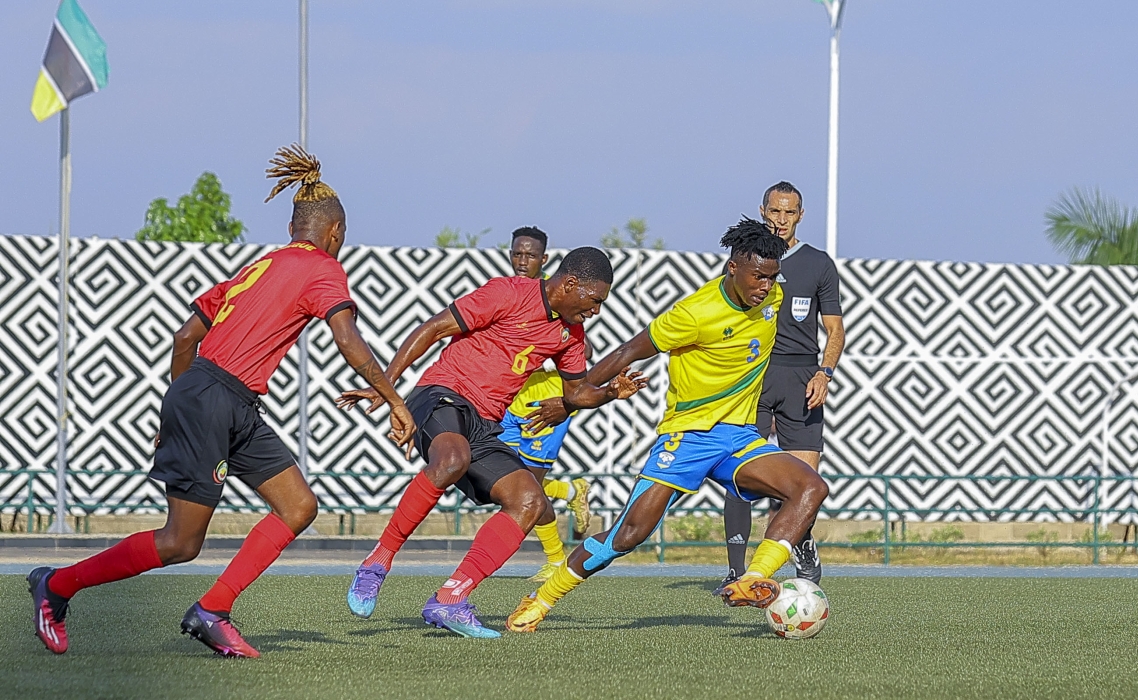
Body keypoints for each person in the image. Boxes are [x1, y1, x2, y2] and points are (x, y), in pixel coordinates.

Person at [27, 145, 415, 658]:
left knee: (299, 505)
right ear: (335, 232)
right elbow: (347, 339)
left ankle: (212, 610)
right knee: (180, 543)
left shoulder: (259, 266)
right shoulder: (323, 267)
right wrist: (395, 400)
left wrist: (177, 406)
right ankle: (55, 586)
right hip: (215, 399)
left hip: (218, 398)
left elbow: (186, 337)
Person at [505, 218, 829, 633]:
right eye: (758, 277)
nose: (766, 287)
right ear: (733, 268)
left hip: (737, 438)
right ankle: (542, 599)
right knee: (626, 537)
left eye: (771, 277)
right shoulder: (694, 313)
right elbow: (626, 353)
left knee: (811, 487)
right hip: (687, 439)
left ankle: (753, 578)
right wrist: (571, 401)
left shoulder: (774, 297)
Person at [339, 247, 645, 638]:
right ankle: (377, 562)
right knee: (452, 459)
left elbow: (576, 394)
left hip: (485, 423)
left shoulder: (571, 334)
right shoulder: (508, 293)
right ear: (570, 284)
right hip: (440, 394)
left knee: (531, 500)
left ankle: (451, 598)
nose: (597, 310)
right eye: (595, 300)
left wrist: (609, 393)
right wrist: (387, 388)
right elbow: (432, 329)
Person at [718, 182, 844, 589]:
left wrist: (824, 373)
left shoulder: (819, 264)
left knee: (805, 481)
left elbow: (835, 329)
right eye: (774, 211)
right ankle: (737, 572)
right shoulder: (744, 261)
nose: (780, 219)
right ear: (762, 210)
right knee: (742, 473)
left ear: (800, 216)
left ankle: (801, 548)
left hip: (801, 378)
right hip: (755, 375)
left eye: (789, 213)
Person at [497, 227, 594, 582]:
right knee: (499, 479)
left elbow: (583, 350)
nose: (523, 261)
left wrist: (548, 355)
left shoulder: (560, 300)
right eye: (517, 254)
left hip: (546, 401)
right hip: (509, 399)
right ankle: (571, 491)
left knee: (528, 488)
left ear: (544, 260)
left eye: (530, 255)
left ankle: (556, 562)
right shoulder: (508, 294)